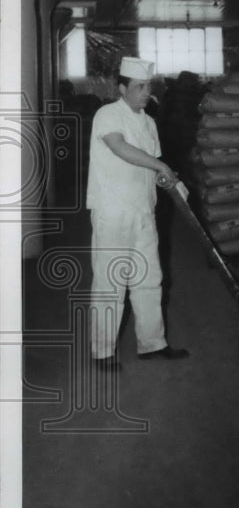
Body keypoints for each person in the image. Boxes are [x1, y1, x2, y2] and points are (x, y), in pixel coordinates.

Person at [86, 56, 190, 370]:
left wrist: (170, 180)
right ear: (122, 88)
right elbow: (119, 147)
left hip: (144, 211)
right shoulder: (108, 114)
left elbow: (151, 166)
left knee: (149, 279)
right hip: (113, 210)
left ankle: (152, 344)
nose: (146, 92)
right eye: (139, 86)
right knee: (110, 282)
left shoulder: (148, 121)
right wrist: (161, 165)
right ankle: (102, 351)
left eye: (149, 86)